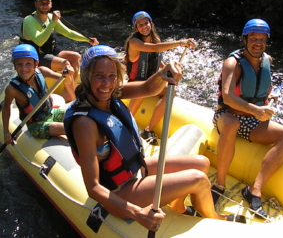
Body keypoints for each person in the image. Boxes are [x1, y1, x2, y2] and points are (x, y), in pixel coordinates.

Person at [64, 45, 246, 232]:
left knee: (202, 163)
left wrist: (163, 73)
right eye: (99, 75)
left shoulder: (112, 93)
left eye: (112, 76)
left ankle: (179, 207)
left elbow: (147, 87)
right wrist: (137, 213)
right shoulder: (85, 124)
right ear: (86, 77)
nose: (106, 83)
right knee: (199, 179)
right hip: (117, 192)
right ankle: (216, 218)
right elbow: (92, 187)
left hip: (132, 171)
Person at [212, 19, 283, 219]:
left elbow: (263, 89)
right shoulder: (232, 63)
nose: (258, 43)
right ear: (245, 39)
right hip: (227, 115)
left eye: (262, 39)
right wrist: (255, 110)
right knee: (232, 123)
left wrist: (269, 97)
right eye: (253, 38)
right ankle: (219, 184)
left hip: (253, 120)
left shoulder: (267, 60)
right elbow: (227, 96)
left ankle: (254, 190)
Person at [124, 11, 196, 145]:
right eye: (140, 25)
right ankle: (125, 127)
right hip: (137, 83)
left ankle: (148, 130)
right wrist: (180, 42)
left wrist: (169, 69)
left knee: (172, 91)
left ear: (151, 23)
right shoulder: (134, 42)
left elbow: (158, 60)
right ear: (136, 28)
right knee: (142, 91)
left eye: (146, 23)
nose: (144, 26)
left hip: (152, 82)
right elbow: (155, 49)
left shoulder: (154, 38)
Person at [19, 0, 99, 101]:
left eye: (47, 3)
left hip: (49, 52)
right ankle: (72, 96)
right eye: (41, 2)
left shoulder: (51, 18)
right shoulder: (29, 20)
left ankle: (67, 93)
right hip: (35, 56)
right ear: (36, 4)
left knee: (76, 57)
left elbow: (69, 33)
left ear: (51, 4)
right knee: (65, 64)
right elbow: (39, 41)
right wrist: (53, 22)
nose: (44, 5)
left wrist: (88, 39)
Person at [2, 44, 73, 144]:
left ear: (36, 64)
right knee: (69, 129)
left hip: (51, 113)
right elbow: (6, 107)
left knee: (77, 115)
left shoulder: (42, 71)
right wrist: (6, 132)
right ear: (14, 66)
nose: (24, 68)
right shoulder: (12, 89)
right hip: (36, 125)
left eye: (28, 64)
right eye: (19, 64)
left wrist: (68, 74)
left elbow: (66, 79)